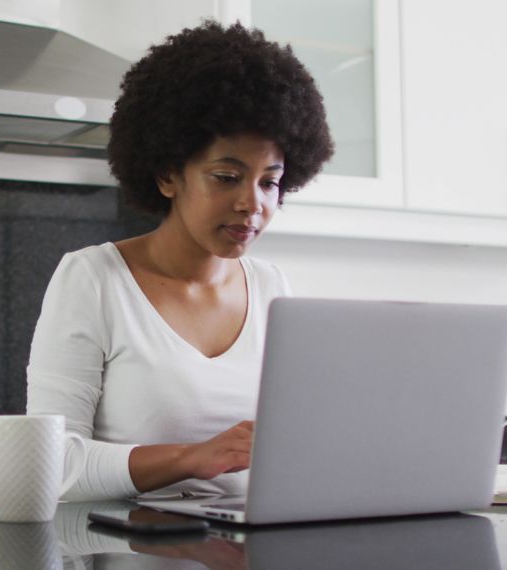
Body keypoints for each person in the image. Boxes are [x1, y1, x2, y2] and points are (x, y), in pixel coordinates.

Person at [26, 21, 334, 501]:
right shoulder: (94, 279)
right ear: (168, 175)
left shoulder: (274, 289)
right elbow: (49, 465)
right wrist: (195, 457)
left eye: (269, 182)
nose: (252, 204)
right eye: (227, 176)